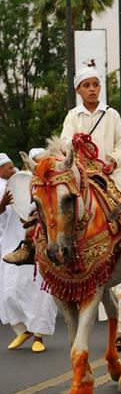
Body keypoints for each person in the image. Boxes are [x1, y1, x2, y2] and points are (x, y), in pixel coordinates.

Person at [4, 65, 121, 268]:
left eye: (95, 85)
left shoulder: (111, 114)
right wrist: (75, 142)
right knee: (43, 202)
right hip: (78, 170)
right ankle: (28, 246)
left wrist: (114, 159)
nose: (92, 89)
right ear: (78, 90)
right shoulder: (73, 116)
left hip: (111, 170)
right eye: (86, 85)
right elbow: (64, 142)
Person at [0, 151, 58, 352]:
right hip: (9, 245)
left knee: (36, 290)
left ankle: (39, 336)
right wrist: (2, 205)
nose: (12, 168)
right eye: (8, 167)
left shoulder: (28, 181)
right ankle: (23, 331)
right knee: (8, 293)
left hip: (33, 241)